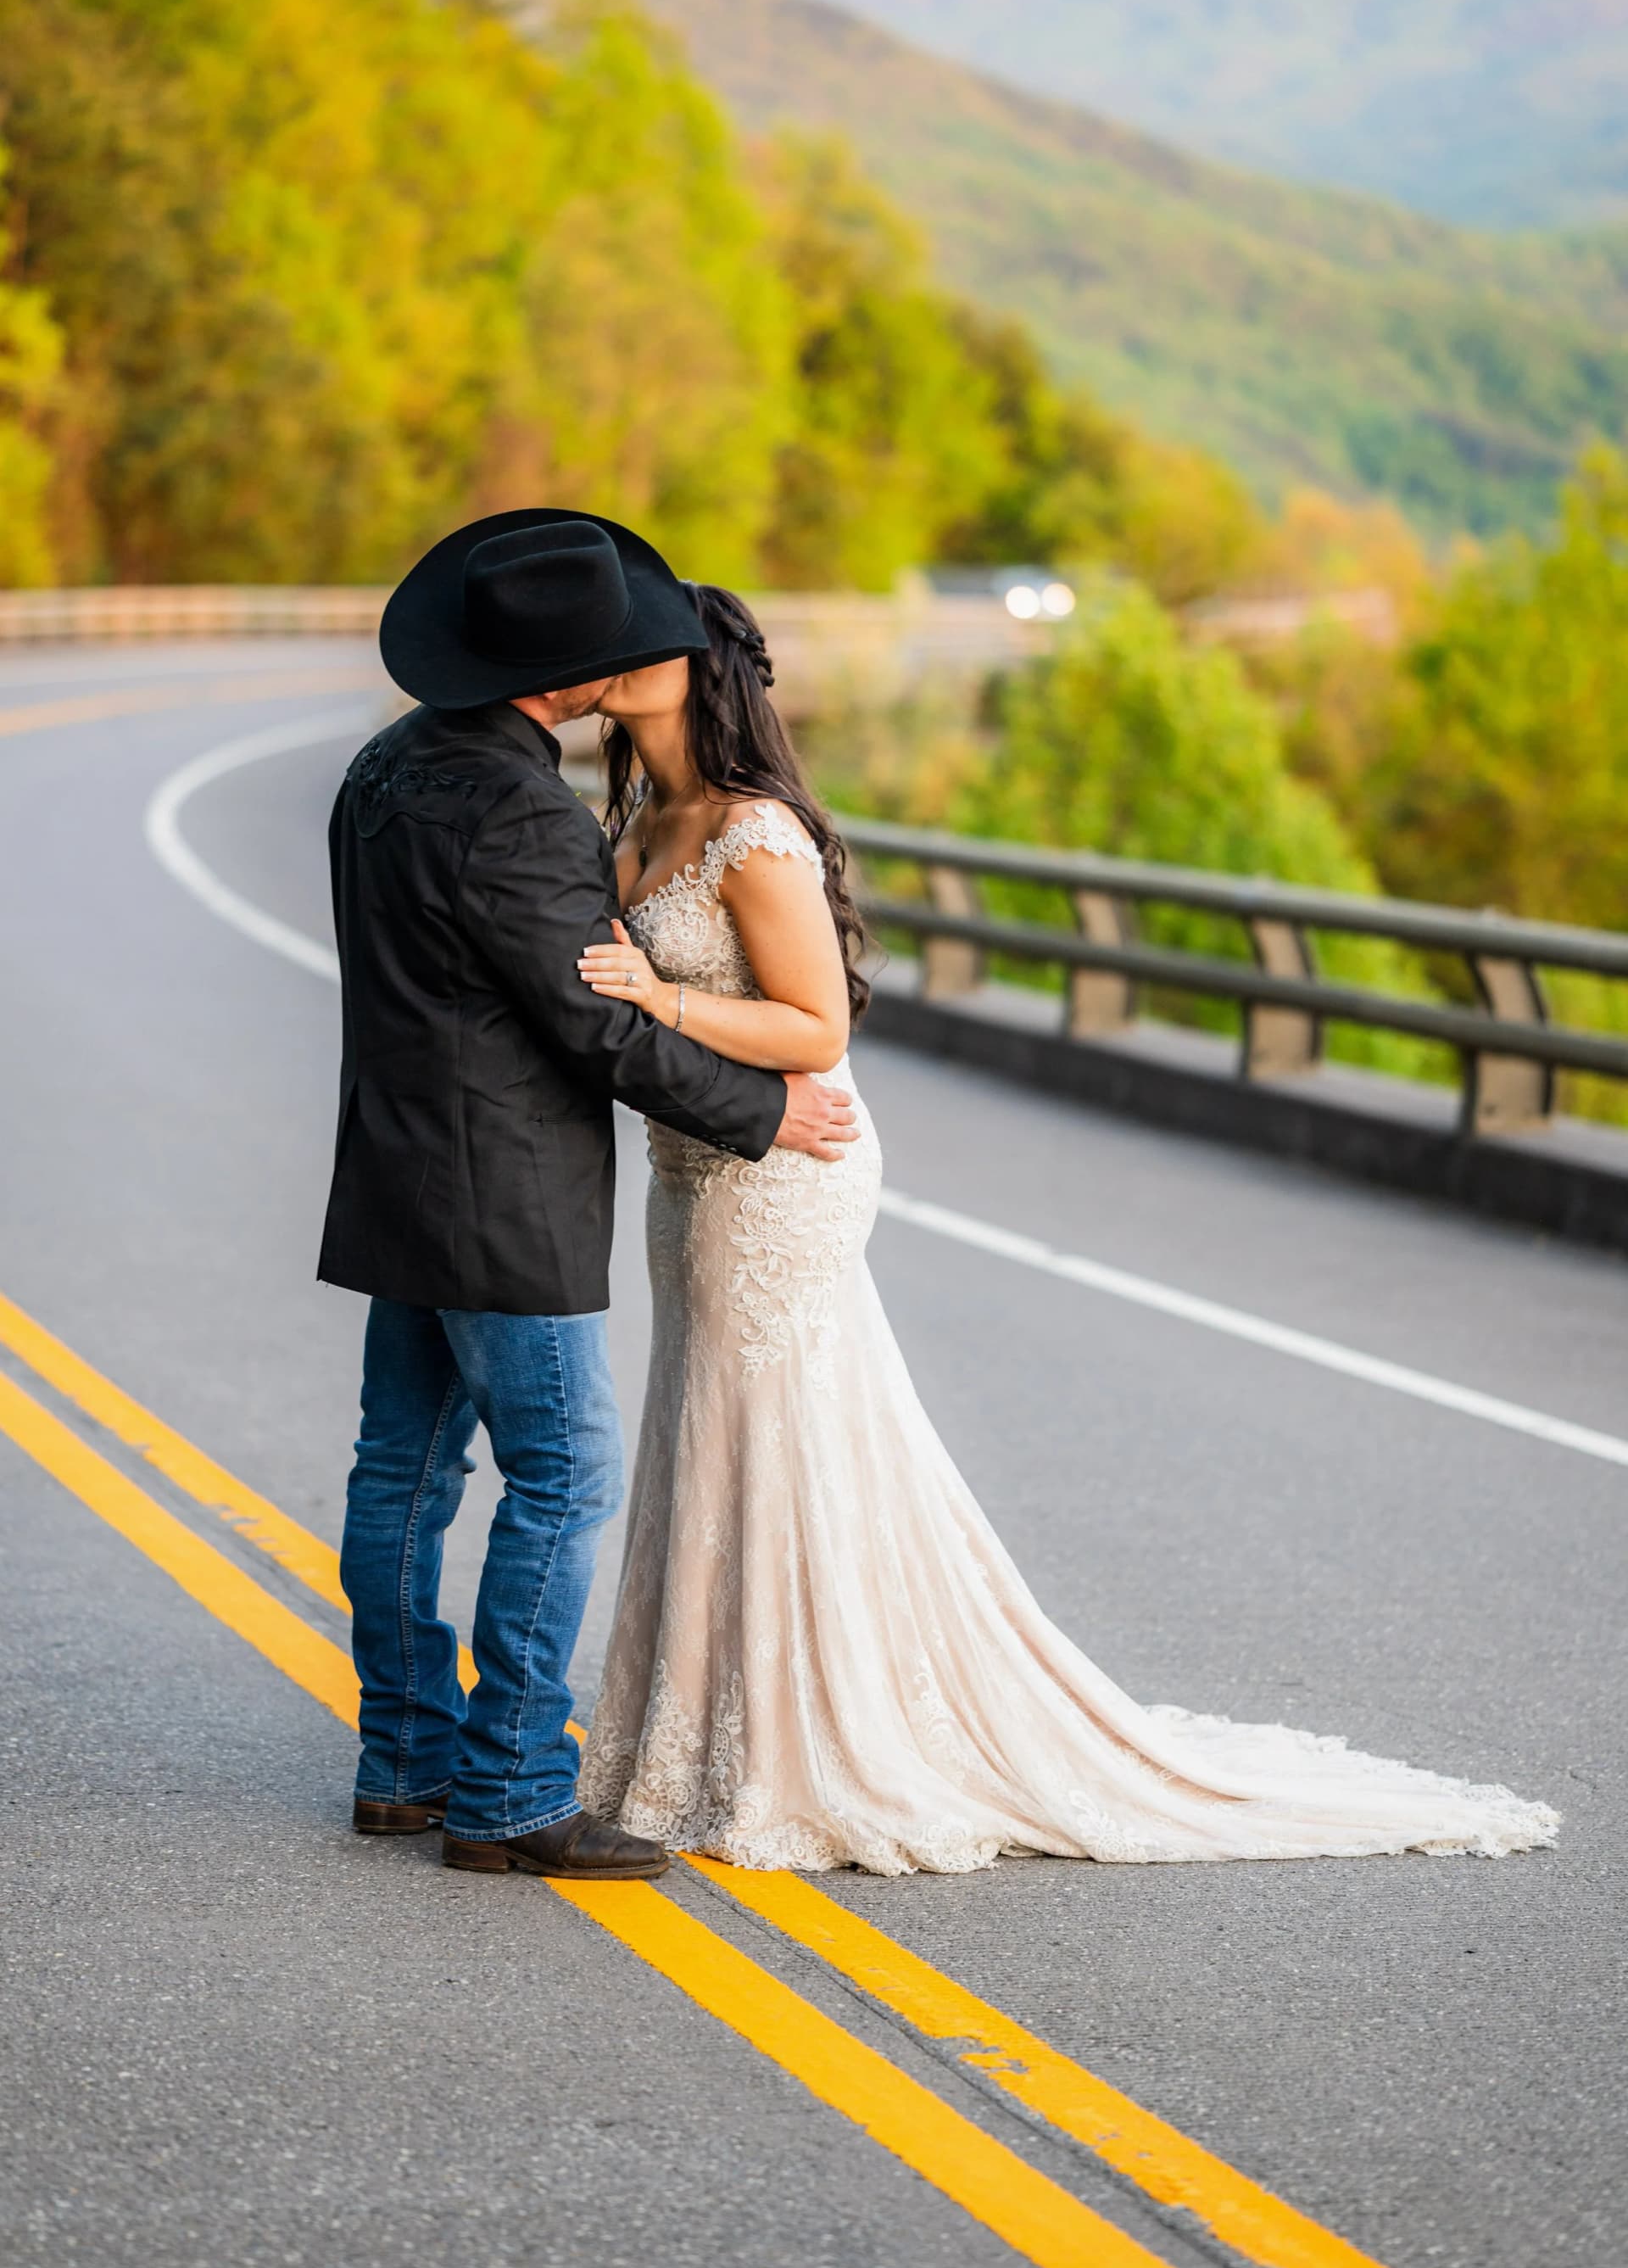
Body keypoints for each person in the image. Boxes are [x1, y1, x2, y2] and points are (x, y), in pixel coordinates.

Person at [572, 581, 1560, 1874]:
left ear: (701, 669)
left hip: (783, 1174)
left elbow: (820, 1029)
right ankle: (691, 1735)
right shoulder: (642, 816)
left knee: (761, 1430)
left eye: (639, 640)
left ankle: (796, 1749)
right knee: (709, 1433)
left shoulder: (755, 836)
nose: (608, 656)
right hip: (685, 1167)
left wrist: (661, 997)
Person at [319, 511, 857, 1881]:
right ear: (565, 678)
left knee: (405, 1470)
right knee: (561, 1478)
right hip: (502, 1199)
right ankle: (505, 1793)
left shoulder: (385, 767)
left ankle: (402, 1763)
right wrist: (771, 1114)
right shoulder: (523, 812)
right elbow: (595, 1032)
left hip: (394, 1176)